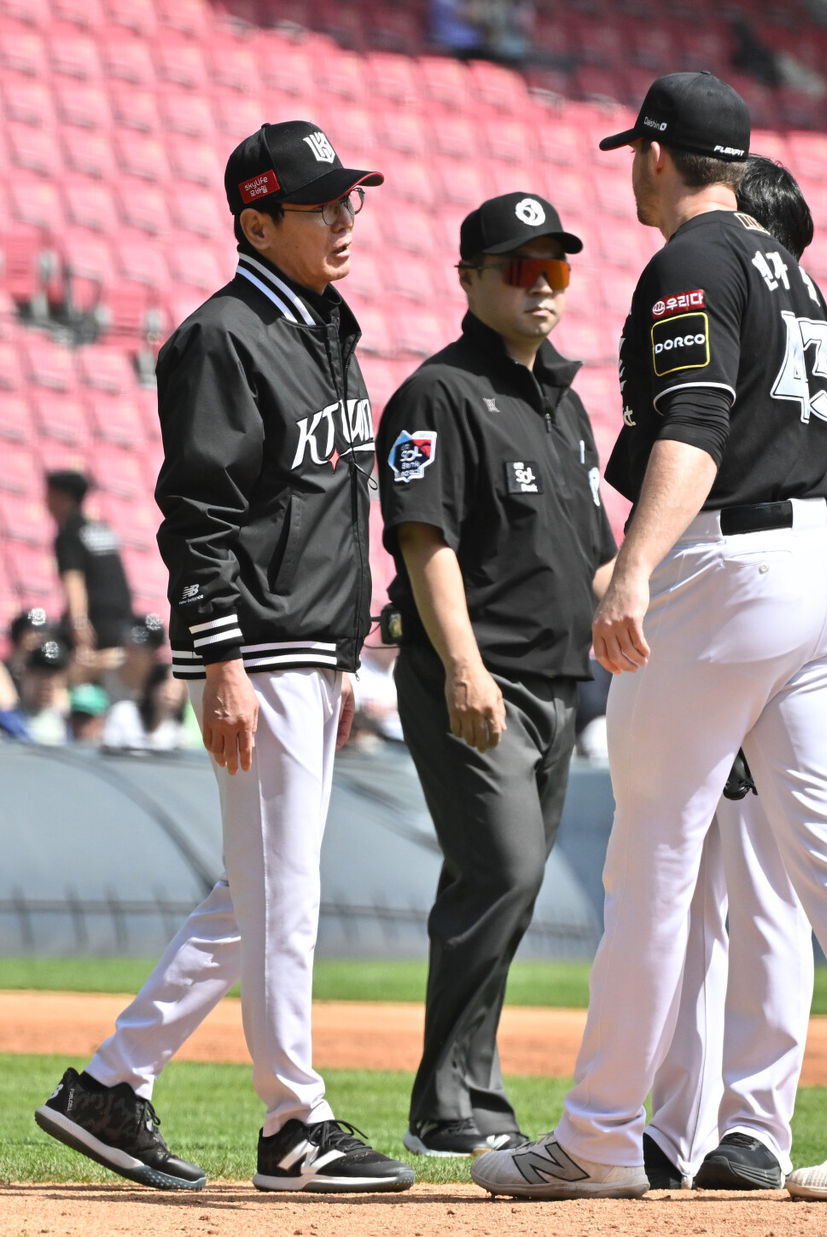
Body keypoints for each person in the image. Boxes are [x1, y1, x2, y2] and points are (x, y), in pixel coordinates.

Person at [472, 70, 827, 1201]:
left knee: (651, 856)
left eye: (634, 155)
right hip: (819, 572)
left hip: (731, 562)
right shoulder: (790, 273)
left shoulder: (692, 261)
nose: (632, 174)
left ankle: (600, 1134)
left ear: (657, 154)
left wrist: (635, 571)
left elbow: (696, 423)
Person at [35, 119, 415, 1196]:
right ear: (258, 219)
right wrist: (222, 660)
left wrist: (343, 651)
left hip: (308, 644)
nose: (347, 216)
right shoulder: (223, 337)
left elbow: (334, 498)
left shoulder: (326, 321)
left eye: (352, 197)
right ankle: (295, 1119)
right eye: (321, 203)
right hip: (255, 643)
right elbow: (196, 515)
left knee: (257, 894)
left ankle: (110, 1085)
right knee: (280, 894)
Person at [642, 153, 827, 1194]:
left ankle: (748, 1126)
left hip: (779, 634)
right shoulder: (736, 340)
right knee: (686, 886)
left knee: (755, 886)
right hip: (715, 625)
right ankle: (671, 1129)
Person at [376, 191, 617, 1158]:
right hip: (477, 683)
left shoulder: (564, 400)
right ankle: (447, 1097)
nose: (540, 283)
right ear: (468, 279)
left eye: (555, 265)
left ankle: (473, 1086)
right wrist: (463, 667)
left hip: (560, 686)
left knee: (499, 886)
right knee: (506, 870)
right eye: (517, 267)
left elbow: (595, 556)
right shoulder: (438, 393)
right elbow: (422, 539)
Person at [44, 470, 134, 683]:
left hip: (94, 623)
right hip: (121, 621)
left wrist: (78, 623)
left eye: (49, 495)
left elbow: (74, 580)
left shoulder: (68, 535)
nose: (45, 502)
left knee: (61, 672)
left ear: (63, 497)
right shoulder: (102, 529)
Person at [102, 662, 190, 752]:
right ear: (152, 685)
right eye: (165, 684)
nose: (170, 691)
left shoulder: (177, 729)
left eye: (177, 686)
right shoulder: (124, 713)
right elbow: (109, 750)